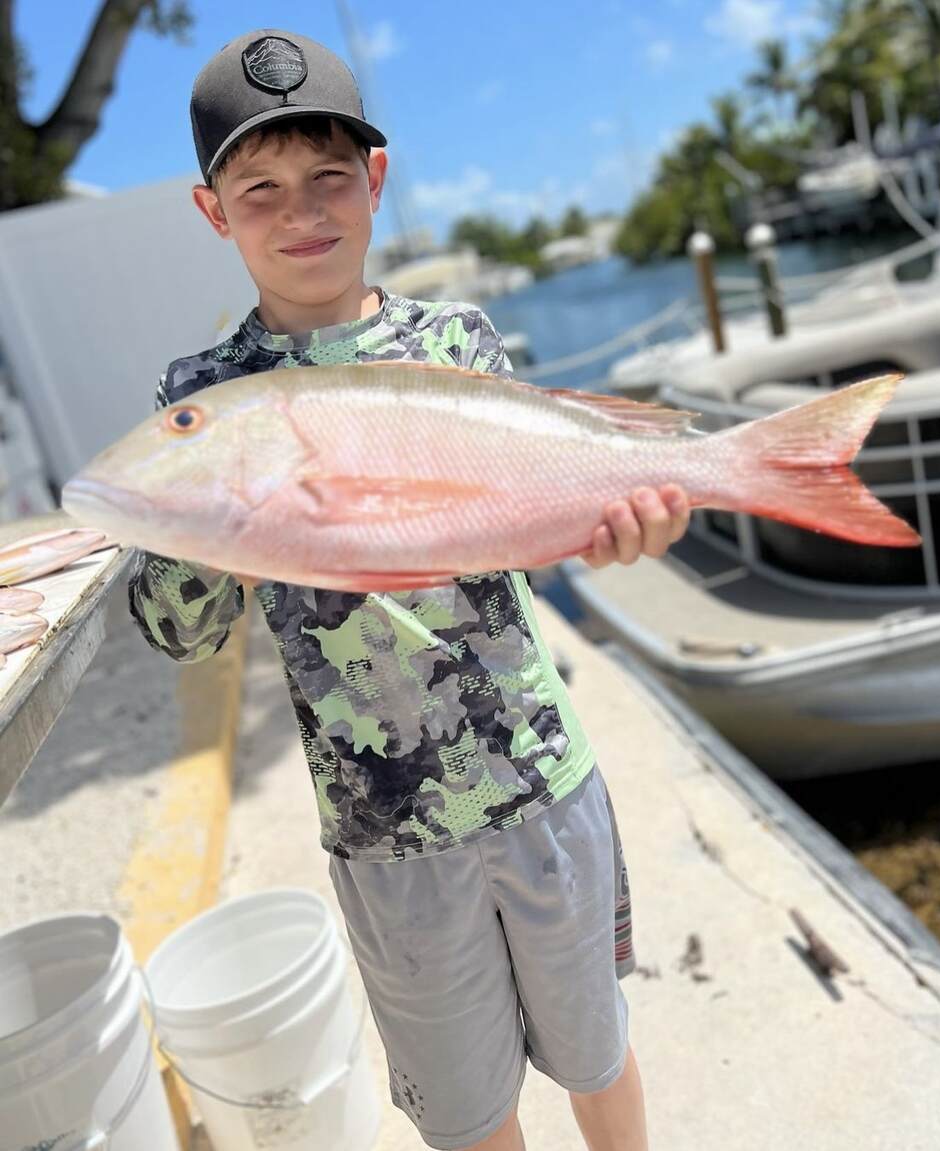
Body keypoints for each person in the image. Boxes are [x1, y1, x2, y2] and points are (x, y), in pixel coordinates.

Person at [128, 28, 691, 1151]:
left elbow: (527, 519)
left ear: (375, 181)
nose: (302, 212)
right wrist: (210, 515)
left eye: (329, 176)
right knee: (470, 1110)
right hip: (387, 833)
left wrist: (626, 525)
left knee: (598, 1048)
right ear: (212, 212)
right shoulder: (205, 396)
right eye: (261, 188)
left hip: (540, 780)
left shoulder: (455, 341)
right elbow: (180, 631)